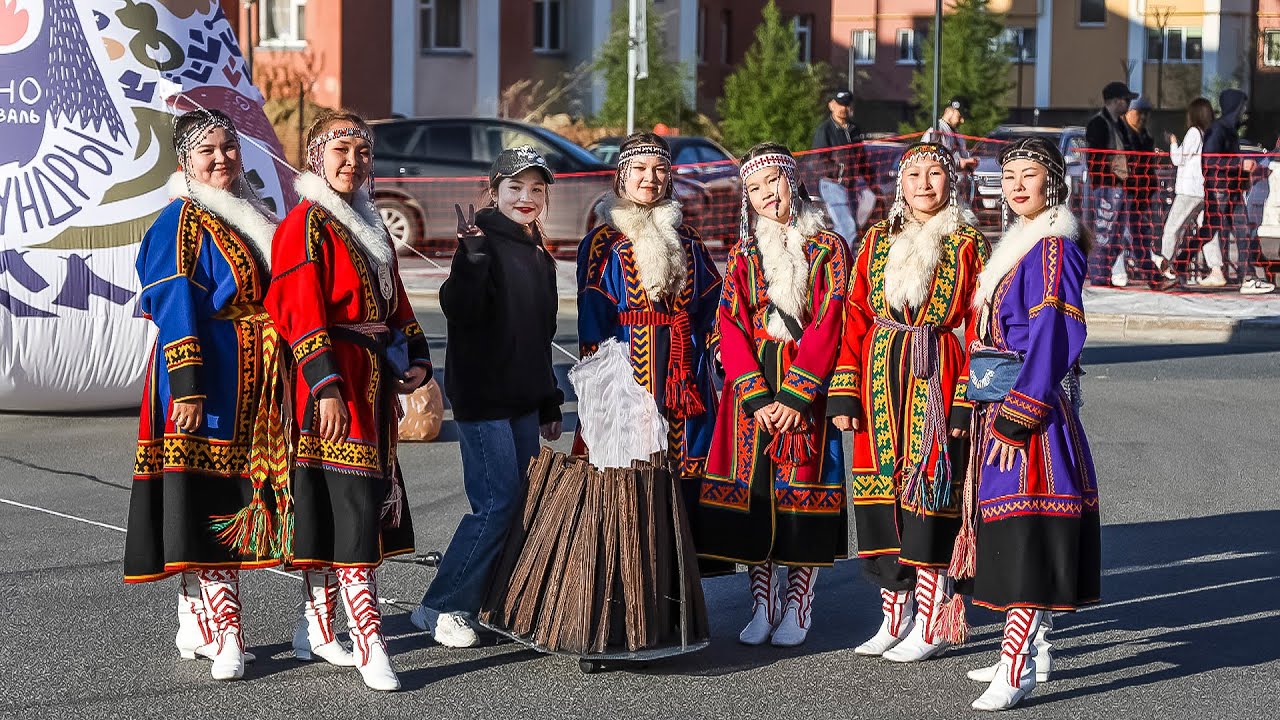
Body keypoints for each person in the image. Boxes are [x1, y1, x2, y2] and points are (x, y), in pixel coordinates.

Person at [266, 109, 431, 691]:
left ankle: (316, 628)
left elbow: (397, 300)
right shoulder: (305, 224)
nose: (353, 163)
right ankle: (369, 641)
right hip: (333, 384)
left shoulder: (368, 222)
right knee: (351, 507)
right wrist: (326, 386)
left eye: (362, 153)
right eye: (341, 152)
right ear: (317, 157)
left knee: (344, 506)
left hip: (373, 381)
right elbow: (296, 309)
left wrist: (417, 357)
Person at [124, 108, 285, 682]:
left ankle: (195, 616)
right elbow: (173, 304)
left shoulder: (246, 214)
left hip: (251, 380)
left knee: (220, 494)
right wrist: (188, 387)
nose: (222, 159)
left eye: (229, 148)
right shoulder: (180, 222)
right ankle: (228, 634)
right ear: (184, 161)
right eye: (207, 151)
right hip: (204, 377)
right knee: (210, 499)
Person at [829, 142, 989, 663]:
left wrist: (966, 397)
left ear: (951, 182)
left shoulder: (968, 243)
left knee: (930, 492)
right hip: (879, 378)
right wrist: (845, 391)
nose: (924, 183)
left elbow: (981, 326)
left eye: (935, 173)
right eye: (914, 174)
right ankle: (893, 616)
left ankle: (932, 616)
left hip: (937, 373)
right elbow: (855, 315)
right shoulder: (876, 239)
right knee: (880, 496)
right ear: (900, 183)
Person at [959, 137, 1101, 711]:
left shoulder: (1053, 248)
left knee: (1025, 533)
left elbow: (1055, 334)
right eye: (1009, 175)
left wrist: (1018, 416)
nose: (1017, 186)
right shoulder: (1022, 244)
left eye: (1029, 175)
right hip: (1003, 398)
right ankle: (1029, 650)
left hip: (1030, 412)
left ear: (1053, 183)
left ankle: (1016, 668)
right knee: (1016, 528)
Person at [410, 147, 565, 647]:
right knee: (496, 503)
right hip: (483, 400)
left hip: (523, 402)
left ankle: (476, 602)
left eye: (535, 189)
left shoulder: (539, 255)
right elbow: (459, 307)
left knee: (520, 506)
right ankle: (446, 607)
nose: (526, 197)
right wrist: (472, 257)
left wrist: (550, 401)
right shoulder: (481, 242)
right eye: (515, 187)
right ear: (494, 191)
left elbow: (541, 337)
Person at [696, 143, 850, 648]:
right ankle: (762, 601)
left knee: (801, 493)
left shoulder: (828, 247)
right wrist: (757, 397)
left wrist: (797, 396)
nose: (766, 194)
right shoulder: (743, 254)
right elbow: (730, 323)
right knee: (755, 497)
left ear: (793, 180)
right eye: (755, 188)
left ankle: (799, 602)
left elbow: (830, 320)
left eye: (773, 182)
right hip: (753, 389)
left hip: (805, 387)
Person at [577, 131, 722, 514]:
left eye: (660, 169)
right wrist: (605, 392)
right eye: (640, 168)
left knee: (687, 477)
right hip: (629, 376)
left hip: (686, 377)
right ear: (622, 175)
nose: (650, 178)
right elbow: (593, 320)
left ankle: (683, 553)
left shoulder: (689, 240)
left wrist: (719, 349)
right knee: (631, 480)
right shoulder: (603, 242)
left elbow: (713, 306)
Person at [1197, 89, 1275, 294]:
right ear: (1234, 106)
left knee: (1242, 231)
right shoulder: (1218, 129)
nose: (1244, 111)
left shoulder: (1230, 130)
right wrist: (1240, 164)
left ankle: (1247, 277)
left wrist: (1242, 174)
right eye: (1242, 106)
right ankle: (1175, 262)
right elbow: (1210, 161)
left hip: (1232, 189)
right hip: (1219, 189)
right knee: (1209, 231)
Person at [1157, 97, 1226, 287]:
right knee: (1207, 230)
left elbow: (1179, 159)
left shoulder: (1194, 132)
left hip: (1189, 190)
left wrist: (1173, 143)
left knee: (1172, 228)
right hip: (1203, 190)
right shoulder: (1208, 134)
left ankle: (1165, 267)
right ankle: (1216, 269)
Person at [1084, 81, 1137, 286]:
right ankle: (1099, 275)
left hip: (1120, 186)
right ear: (1115, 101)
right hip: (1106, 187)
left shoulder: (1120, 125)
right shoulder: (1098, 124)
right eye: (1125, 100)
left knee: (1118, 234)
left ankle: (1104, 274)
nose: (1128, 104)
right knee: (1103, 232)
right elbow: (1094, 158)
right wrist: (1109, 173)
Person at [812, 90, 876, 246]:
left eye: (846, 105)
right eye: (840, 104)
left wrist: (871, 181)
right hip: (832, 185)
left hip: (852, 186)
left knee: (851, 225)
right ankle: (839, 258)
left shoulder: (854, 129)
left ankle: (839, 253)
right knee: (847, 226)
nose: (843, 108)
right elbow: (817, 162)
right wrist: (839, 172)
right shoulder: (825, 130)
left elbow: (861, 158)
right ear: (831, 105)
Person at [1120, 96, 1165, 288]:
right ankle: (1109, 274)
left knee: (1138, 234)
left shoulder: (1144, 136)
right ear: (1129, 112)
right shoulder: (1122, 134)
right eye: (1140, 113)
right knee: (1120, 235)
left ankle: (1152, 276)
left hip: (1141, 192)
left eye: (1147, 114)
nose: (1144, 118)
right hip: (1124, 192)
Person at [923, 96, 979, 207]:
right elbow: (929, 158)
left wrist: (969, 163)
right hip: (941, 191)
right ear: (950, 111)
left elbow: (962, 159)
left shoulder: (958, 135)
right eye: (960, 115)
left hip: (959, 190)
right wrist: (959, 162)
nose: (962, 120)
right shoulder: (936, 130)